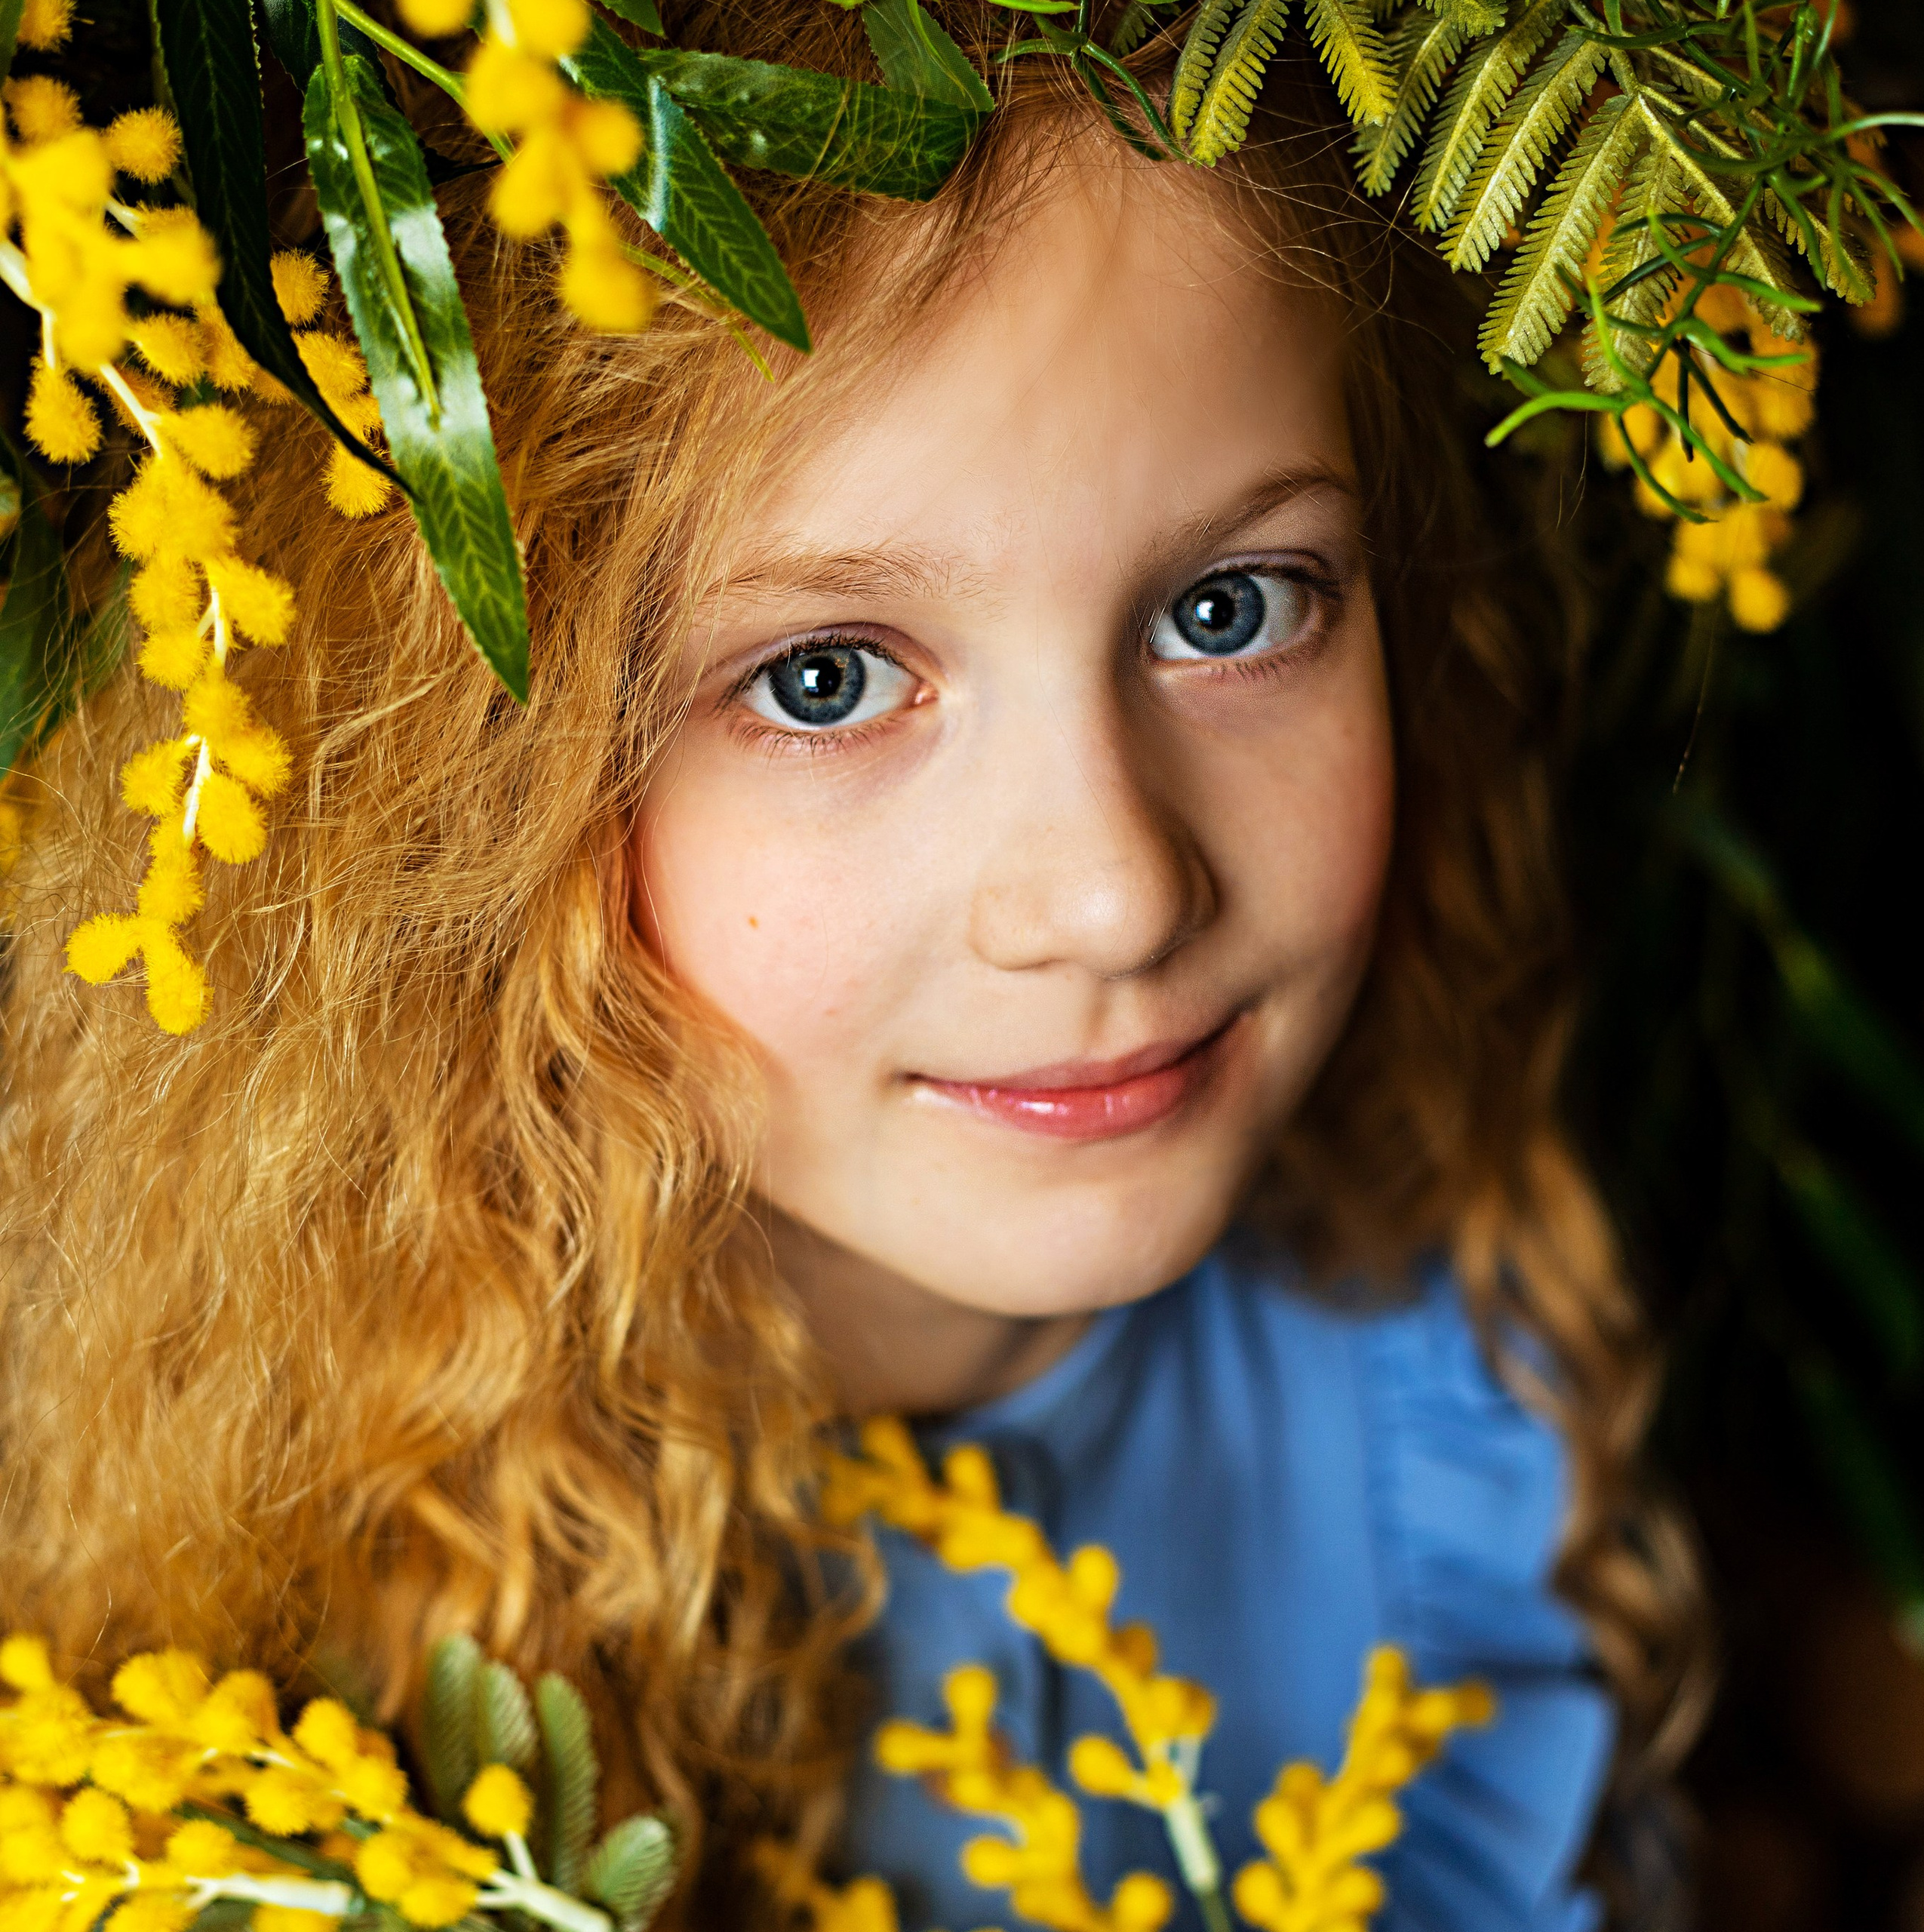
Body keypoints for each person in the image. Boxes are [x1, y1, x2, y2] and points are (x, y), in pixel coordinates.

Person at [0, 7, 1700, 1927]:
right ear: (464, 800)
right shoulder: (243, 1706)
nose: (1112, 893)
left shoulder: (1446, 1369)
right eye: (822, 680)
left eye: (1231, 608)